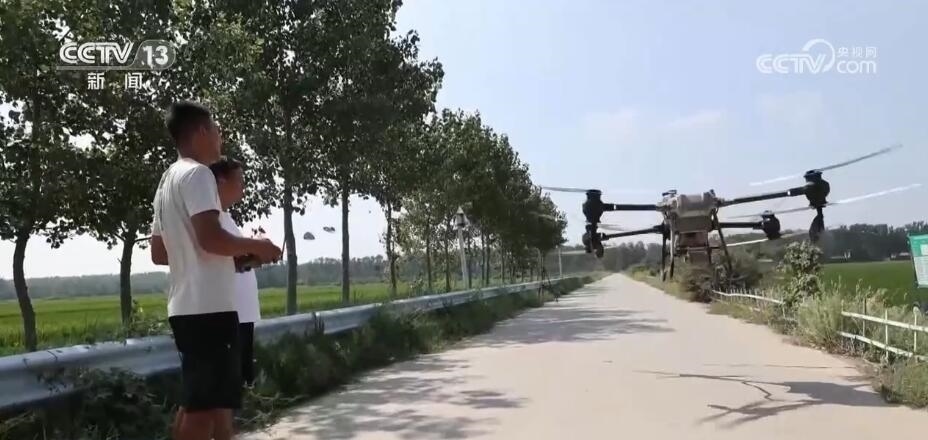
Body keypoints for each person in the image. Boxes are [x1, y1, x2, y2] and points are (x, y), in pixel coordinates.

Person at [150, 101, 282, 440]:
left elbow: (160, 253)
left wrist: (232, 257)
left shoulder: (166, 182)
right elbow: (210, 238)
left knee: (196, 402)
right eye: (217, 131)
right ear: (201, 131)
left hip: (185, 307)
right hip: (209, 309)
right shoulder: (198, 175)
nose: (220, 139)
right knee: (204, 410)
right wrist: (258, 246)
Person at [208, 157, 261, 387]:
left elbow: (233, 260)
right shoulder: (211, 220)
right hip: (228, 313)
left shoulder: (227, 218)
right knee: (228, 384)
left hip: (243, 313)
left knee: (242, 379)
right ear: (221, 181)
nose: (243, 187)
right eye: (239, 181)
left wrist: (252, 257)